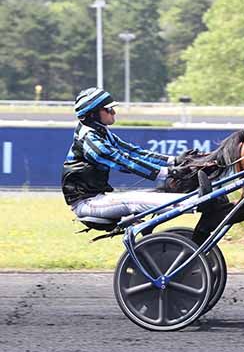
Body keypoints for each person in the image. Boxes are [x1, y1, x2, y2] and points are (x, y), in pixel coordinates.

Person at [62, 87, 231, 245]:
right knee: (132, 200)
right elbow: (124, 161)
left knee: (137, 196)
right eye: (108, 109)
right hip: (87, 204)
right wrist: (168, 172)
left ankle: (197, 201)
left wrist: (174, 161)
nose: (113, 111)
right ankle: (197, 202)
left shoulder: (101, 131)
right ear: (92, 115)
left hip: (97, 198)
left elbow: (135, 152)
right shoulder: (90, 140)